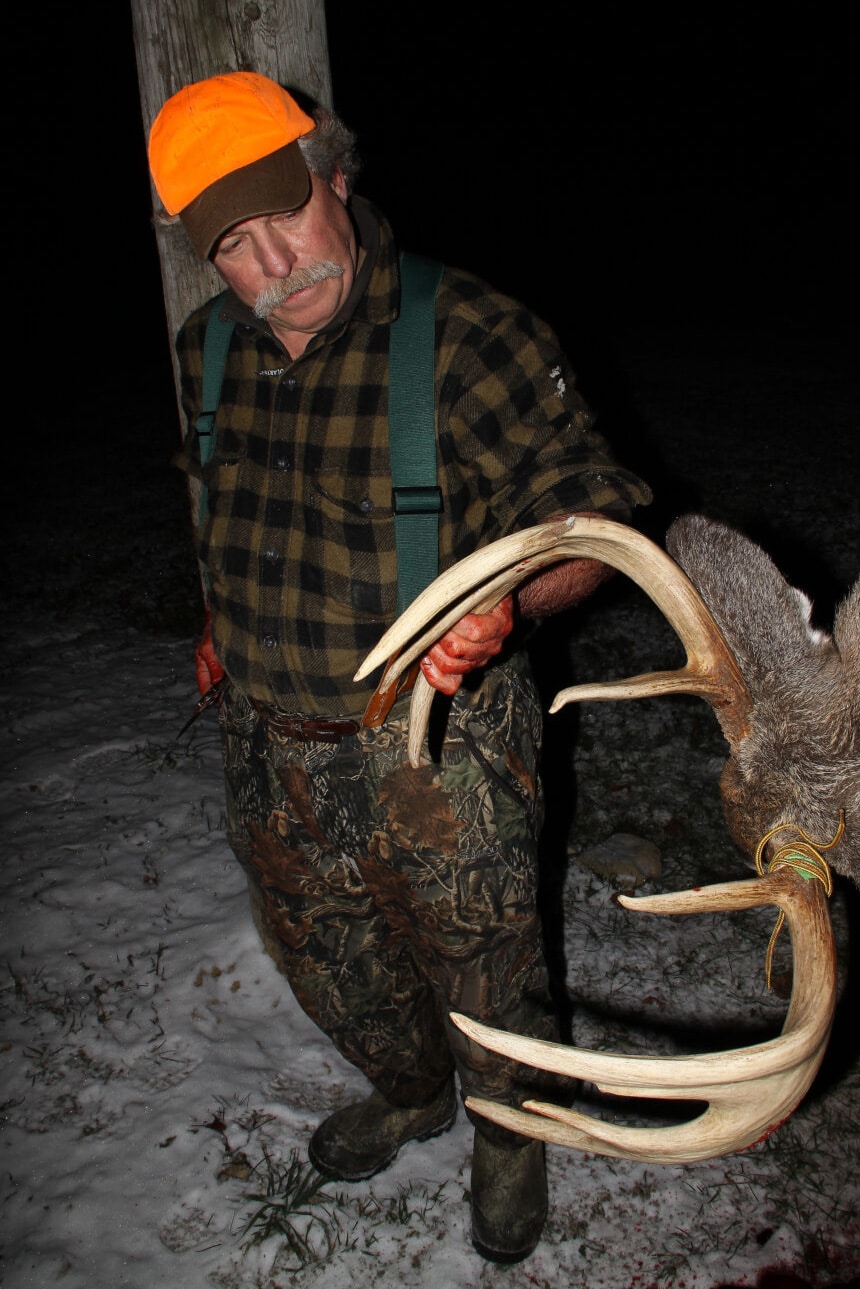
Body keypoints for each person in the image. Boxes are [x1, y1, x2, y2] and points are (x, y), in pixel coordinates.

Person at [147, 70, 651, 1264]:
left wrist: (512, 604)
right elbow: (215, 499)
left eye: (289, 215)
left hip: (439, 741)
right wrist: (222, 612)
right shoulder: (203, 350)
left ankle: (510, 1130)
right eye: (234, 246)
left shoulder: (471, 334)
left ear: (336, 171)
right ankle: (415, 1087)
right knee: (326, 959)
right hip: (273, 743)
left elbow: (597, 528)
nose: (277, 265)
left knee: (488, 967)